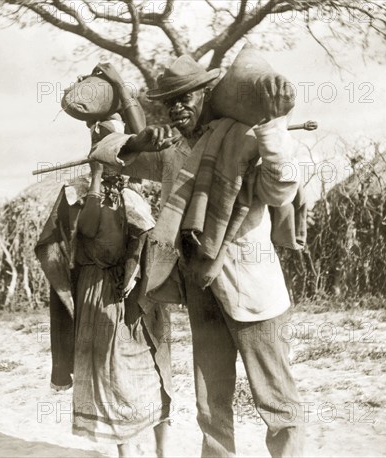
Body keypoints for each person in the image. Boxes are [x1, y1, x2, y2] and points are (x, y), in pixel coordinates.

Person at [89, 54, 305, 457]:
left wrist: (272, 130)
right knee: (211, 406)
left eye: (187, 97)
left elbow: (281, 190)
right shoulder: (171, 151)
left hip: (251, 291)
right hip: (198, 286)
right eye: (170, 101)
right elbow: (103, 155)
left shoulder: (245, 138)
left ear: (209, 94)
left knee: (277, 402)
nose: (177, 107)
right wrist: (137, 140)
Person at [36, 63, 172, 457]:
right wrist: (96, 180)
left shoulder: (135, 192)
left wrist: (119, 87)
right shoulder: (78, 193)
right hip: (98, 296)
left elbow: (141, 137)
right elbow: (74, 237)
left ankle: (163, 452)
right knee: (113, 377)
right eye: (104, 139)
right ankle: (126, 454)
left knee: (153, 372)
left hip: (139, 295)